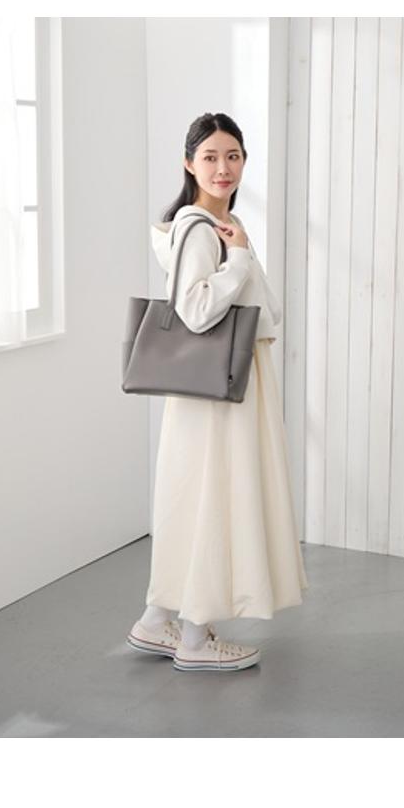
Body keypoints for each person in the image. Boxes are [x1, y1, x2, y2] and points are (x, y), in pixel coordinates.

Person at [126, 111, 309, 672]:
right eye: (209, 157)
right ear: (189, 163)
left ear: (244, 161)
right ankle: (195, 638)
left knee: (197, 497)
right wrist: (241, 259)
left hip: (219, 387)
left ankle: (156, 622)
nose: (222, 168)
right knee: (215, 499)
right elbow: (197, 310)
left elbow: (268, 309)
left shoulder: (224, 226)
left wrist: (243, 252)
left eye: (232, 156)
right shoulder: (200, 230)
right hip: (219, 389)